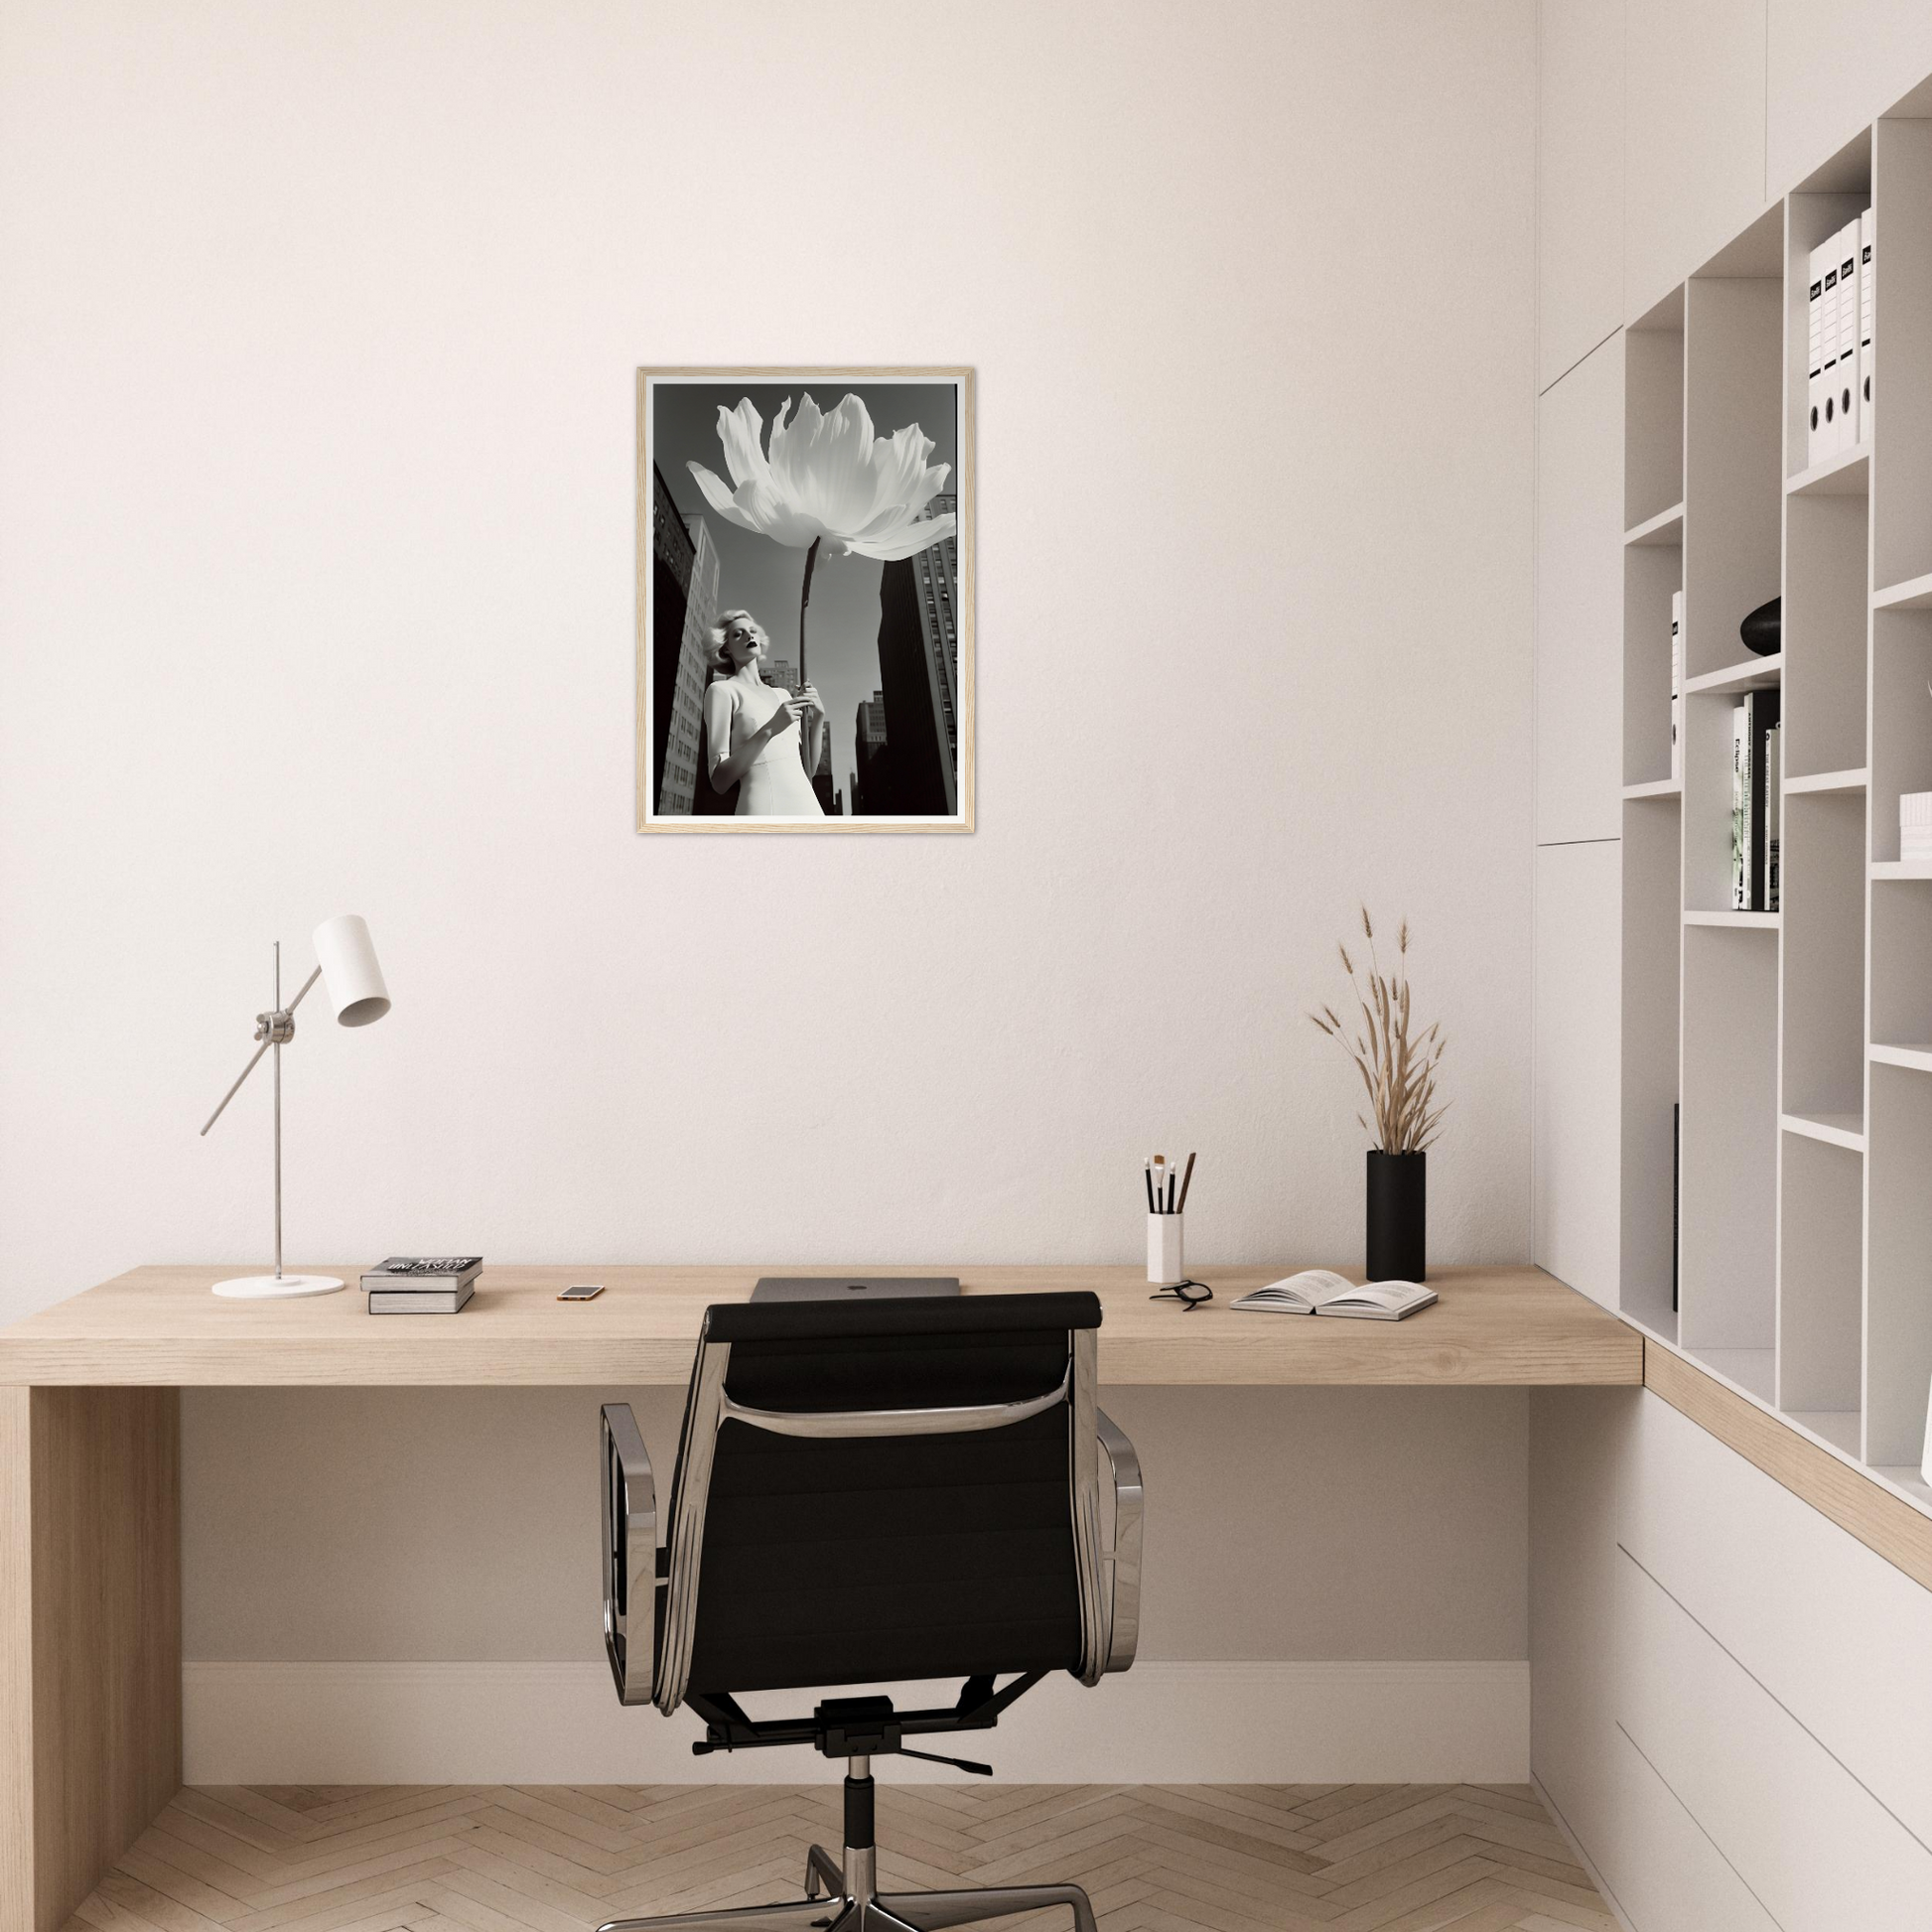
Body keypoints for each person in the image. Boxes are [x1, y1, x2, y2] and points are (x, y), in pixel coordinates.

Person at [702, 610, 827, 817]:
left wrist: (819, 717)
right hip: (764, 808)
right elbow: (719, 781)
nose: (749, 636)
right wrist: (771, 728)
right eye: (737, 634)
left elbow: (808, 771)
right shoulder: (721, 691)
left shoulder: (784, 694)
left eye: (752, 631)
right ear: (726, 649)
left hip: (809, 808)